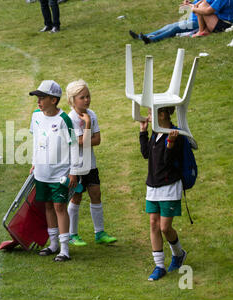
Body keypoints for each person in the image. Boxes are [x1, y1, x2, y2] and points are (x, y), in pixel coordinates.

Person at [29, 80, 78, 262]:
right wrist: (34, 162)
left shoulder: (65, 120)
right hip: (41, 172)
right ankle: (53, 244)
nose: (38, 101)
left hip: (60, 173)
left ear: (54, 100)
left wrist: (73, 171)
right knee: (48, 206)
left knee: (59, 206)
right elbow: (36, 142)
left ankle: (64, 249)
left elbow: (73, 145)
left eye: (42, 98)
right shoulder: (36, 116)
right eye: (37, 98)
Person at [65, 80, 117, 246]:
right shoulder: (70, 119)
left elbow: (97, 140)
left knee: (96, 193)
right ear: (73, 100)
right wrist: (87, 124)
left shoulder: (92, 114)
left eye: (88, 96)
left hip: (91, 165)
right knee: (76, 197)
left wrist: (87, 135)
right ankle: (72, 234)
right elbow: (80, 141)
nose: (87, 100)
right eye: (82, 97)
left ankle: (99, 233)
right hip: (76, 165)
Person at [139, 107, 187, 281]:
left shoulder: (176, 135)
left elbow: (167, 163)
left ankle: (178, 254)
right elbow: (146, 154)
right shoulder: (155, 134)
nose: (148, 116)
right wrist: (143, 132)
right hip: (152, 186)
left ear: (162, 114)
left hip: (169, 186)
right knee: (153, 224)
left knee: (165, 227)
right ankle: (159, 266)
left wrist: (171, 144)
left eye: (151, 113)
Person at [129, 0, 201, 44]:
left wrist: (190, 5)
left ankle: (151, 40)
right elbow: (195, 6)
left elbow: (205, 10)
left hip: (199, 22)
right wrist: (189, 3)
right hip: (191, 20)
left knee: (174, 29)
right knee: (168, 26)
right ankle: (141, 37)